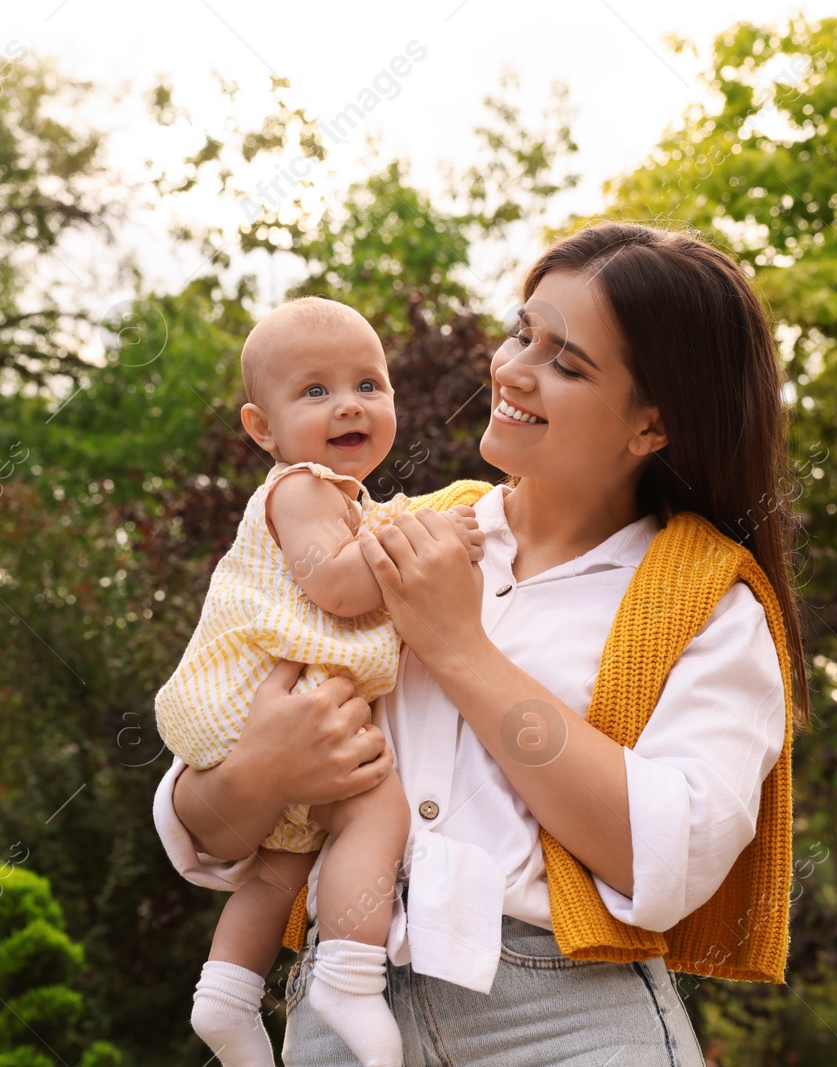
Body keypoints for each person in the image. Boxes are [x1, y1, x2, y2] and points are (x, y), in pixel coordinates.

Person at [158, 222, 809, 1065]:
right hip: (340, 1014)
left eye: (566, 363)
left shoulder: (709, 600)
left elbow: (665, 858)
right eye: (521, 331)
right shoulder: (385, 536)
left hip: (569, 1020)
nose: (512, 369)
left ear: (652, 426)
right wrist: (259, 773)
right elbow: (201, 818)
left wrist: (458, 645)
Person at [154, 296, 485, 1067]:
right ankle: (347, 975)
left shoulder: (350, 502)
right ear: (261, 428)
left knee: (279, 867)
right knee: (377, 803)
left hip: (284, 705)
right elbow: (337, 586)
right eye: (315, 391)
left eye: (370, 385)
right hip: (260, 698)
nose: (349, 404)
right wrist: (421, 541)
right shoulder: (301, 487)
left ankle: (227, 999)